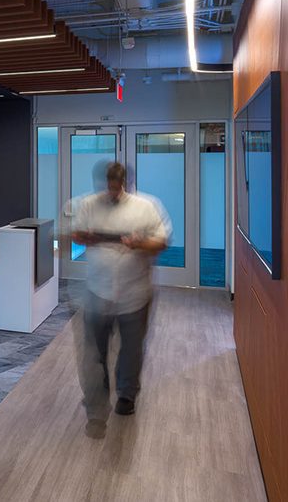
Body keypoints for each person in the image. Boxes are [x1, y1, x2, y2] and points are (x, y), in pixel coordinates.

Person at [70, 161, 170, 438]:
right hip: (97, 291)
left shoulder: (146, 207)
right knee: (95, 352)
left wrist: (138, 243)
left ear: (125, 184)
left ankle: (126, 395)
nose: (111, 193)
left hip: (134, 293)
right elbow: (76, 234)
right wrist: (86, 237)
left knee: (131, 350)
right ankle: (96, 403)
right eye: (107, 187)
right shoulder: (89, 205)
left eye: (116, 187)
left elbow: (161, 242)